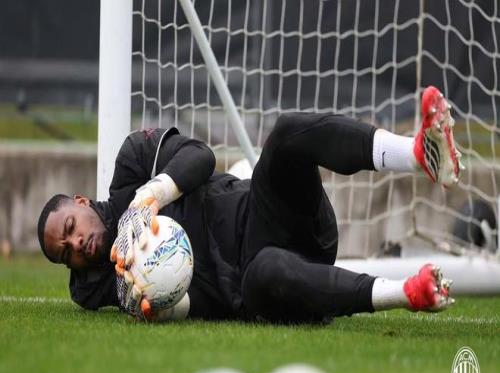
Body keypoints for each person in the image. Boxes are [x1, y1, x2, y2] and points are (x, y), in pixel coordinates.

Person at [37, 86, 461, 323]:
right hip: (254, 284)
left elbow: (201, 157)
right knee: (265, 270)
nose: (76, 244)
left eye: (71, 228)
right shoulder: (94, 284)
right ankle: (407, 293)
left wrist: (149, 198)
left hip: (269, 214)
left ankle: (418, 154)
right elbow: (174, 303)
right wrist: (166, 306)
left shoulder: (133, 164)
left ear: (81, 202)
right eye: (65, 253)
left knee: (286, 133)